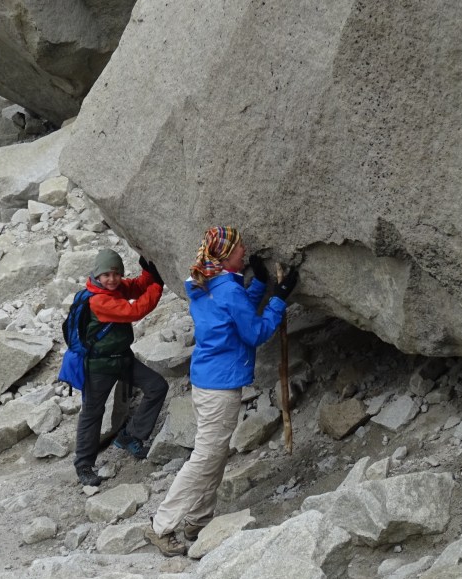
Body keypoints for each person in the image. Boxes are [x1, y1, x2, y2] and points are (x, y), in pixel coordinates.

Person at [145, 227, 298, 556]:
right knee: (205, 458)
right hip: (222, 387)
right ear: (225, 256)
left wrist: (257, 284)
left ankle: (198, 519)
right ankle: (162, 524)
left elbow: (233, 312)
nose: (244, 252)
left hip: (205, 381)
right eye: (239, 249)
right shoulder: (227, 290)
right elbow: (254, 332)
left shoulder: (201, 283)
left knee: (213, 454)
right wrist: (278, 299)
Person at [73, 249, 169, 487]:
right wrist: (158, 284)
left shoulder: (113, 289)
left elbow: (135, 287)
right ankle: (84, 465)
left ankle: (130, 436)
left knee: (157, 386)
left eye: (116, 273)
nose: (112, 279)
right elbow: (134, 311)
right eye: (106, 274)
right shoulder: (99, 300)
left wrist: (148, 273)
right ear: (97, 274)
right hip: (99, 365)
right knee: (92, 414)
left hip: (122, 358)